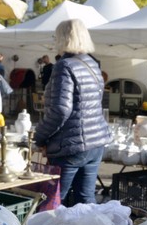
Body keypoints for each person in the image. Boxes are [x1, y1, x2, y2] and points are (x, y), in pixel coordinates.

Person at [35, 19, 111, 205]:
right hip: (95, 142)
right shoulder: (92, 64)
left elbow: (61, 110)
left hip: (70, 145)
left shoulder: (64, 65)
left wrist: (39, 136)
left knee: (53, 201)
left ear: (62, 38)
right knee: (86, 200)